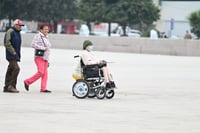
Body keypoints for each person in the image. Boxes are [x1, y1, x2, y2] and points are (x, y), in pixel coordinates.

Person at [24, 25, 51, 93]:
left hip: (45, 58)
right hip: (39, 57)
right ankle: (27, 81)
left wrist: (48, 59)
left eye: (47, 29)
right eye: (45, 29)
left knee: (45, 74)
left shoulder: (46, 37)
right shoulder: (38, 36)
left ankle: (43, 88)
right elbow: (33, 44)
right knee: (40, 72)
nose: (46, 30)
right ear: (41, 30)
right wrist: (43, 48)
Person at [3, 19, 24, 93]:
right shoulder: (10, 31)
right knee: (16, 68)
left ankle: (6, 87)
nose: (20, 27)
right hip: (11, 54)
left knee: (10, 69)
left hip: (15, 55)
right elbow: (7, 43)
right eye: (19, 25)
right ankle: (11, 86)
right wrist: (13, 51)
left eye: (21, 26)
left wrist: (17, 54)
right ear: (15, 25)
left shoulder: (18, 33)